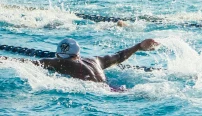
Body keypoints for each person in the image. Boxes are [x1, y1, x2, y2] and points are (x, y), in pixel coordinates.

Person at [8, 37, 160, 84]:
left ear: (58, 55)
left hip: (98, 93)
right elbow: (119, 56)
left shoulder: (59, 62)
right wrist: (139, 46)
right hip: (113, 89)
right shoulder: (96, 60)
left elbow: (27, 63)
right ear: (78, 53)